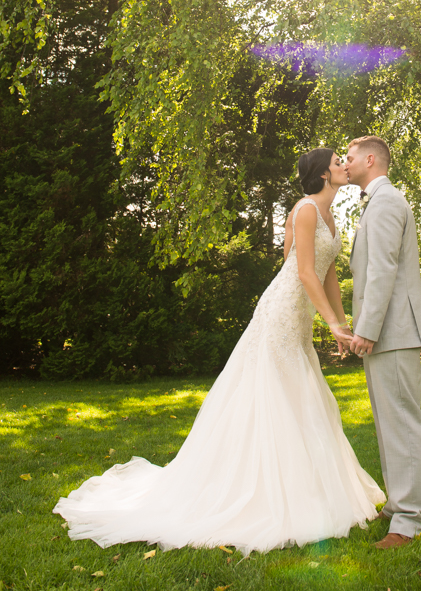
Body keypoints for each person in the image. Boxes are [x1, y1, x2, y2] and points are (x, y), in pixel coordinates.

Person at [53, 148, 385, 555]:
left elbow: (327, 271)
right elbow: (299, 270)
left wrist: (340, 323)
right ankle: (261, 493)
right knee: (273, 396)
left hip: (300, 316)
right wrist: (330, 323)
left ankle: (305, 488)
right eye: (336, 160)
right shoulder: (304, 210)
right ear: (321, 173)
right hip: (280, 313)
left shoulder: (332, 216)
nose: (342, 164)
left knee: (301, 397)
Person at [345, 135, 421, 550]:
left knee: (401, 422)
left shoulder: (385, 202)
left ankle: (411, 520)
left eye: (348, 157)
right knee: (388, 421)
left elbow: (382, 271)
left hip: (392, 330)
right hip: (389, 330)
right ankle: (399, 503)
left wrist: (366, 328)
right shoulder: (378, 201)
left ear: (370, 159)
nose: (344, 164)